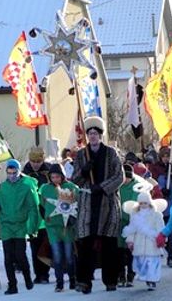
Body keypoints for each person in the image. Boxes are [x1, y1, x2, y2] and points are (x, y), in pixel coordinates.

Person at [71, 116, 124, 294]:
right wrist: (84, 171)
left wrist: (102, 187)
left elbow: (119, 176)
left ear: (100, 135)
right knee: (86, 244)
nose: (92, 136)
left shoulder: (111, 153)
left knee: (109, 244)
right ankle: (84, 281)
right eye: (90, 133)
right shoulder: (81, 154)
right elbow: (75, 179)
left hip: (107, 204)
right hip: (88, 205)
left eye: (95, 133)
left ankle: (111, 279)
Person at [0, 159, 40, 294]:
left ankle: (27, 277)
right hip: (6, 225)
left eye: (14, 172)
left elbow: (33, 208)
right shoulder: (0, 188)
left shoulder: (26, 187)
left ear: (19, 172)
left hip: (20, 225)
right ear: (6, 172)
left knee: (20, 255)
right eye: (9, 172)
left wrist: (32, 228)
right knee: (8, 257)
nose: (12, 175)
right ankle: (12, 285)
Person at [38, 163, 79, 292]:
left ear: (62, 176)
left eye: (57, 176)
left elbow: (77, 203)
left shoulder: (71, 187)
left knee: (69, 255)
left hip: (67, 227)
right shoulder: (45, 189)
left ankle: (73, 279)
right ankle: (59, 282)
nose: (55, 179)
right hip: (52, 227)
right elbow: (42, 204)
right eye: (53, 177)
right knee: (57, 256)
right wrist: (48, 217)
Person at [122, 191, 166, 291]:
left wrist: (161, 237)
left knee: (152, 262)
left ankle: (152, 280)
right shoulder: (135, 215)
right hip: (139, 243)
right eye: (141, 203)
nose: (143, 205)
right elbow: (132, 229)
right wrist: (130, 240)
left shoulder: (156, 214)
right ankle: (147, 278)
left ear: (149, 202)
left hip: (152, 243)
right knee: (142, 263)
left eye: (145, 203)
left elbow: (160, 227)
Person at [22, 147, 52, 284]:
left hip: (47, 212)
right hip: (32, 214)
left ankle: (45, 273)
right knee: (34, 245)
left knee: (45, 244)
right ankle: (38, 274)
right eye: (33, 161)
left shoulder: (49, 171)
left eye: (38, 161)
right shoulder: (25, 173)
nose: (35, 164)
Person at [117, 164, 139, 288]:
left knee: (130, 250)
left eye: (127, 177)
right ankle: (121, 275)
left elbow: (134, 204)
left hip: (130, 222)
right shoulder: (118, 187)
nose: (125, 180)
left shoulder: (135, 187)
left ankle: (131, 274)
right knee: (119, 250)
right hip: (118, 222)